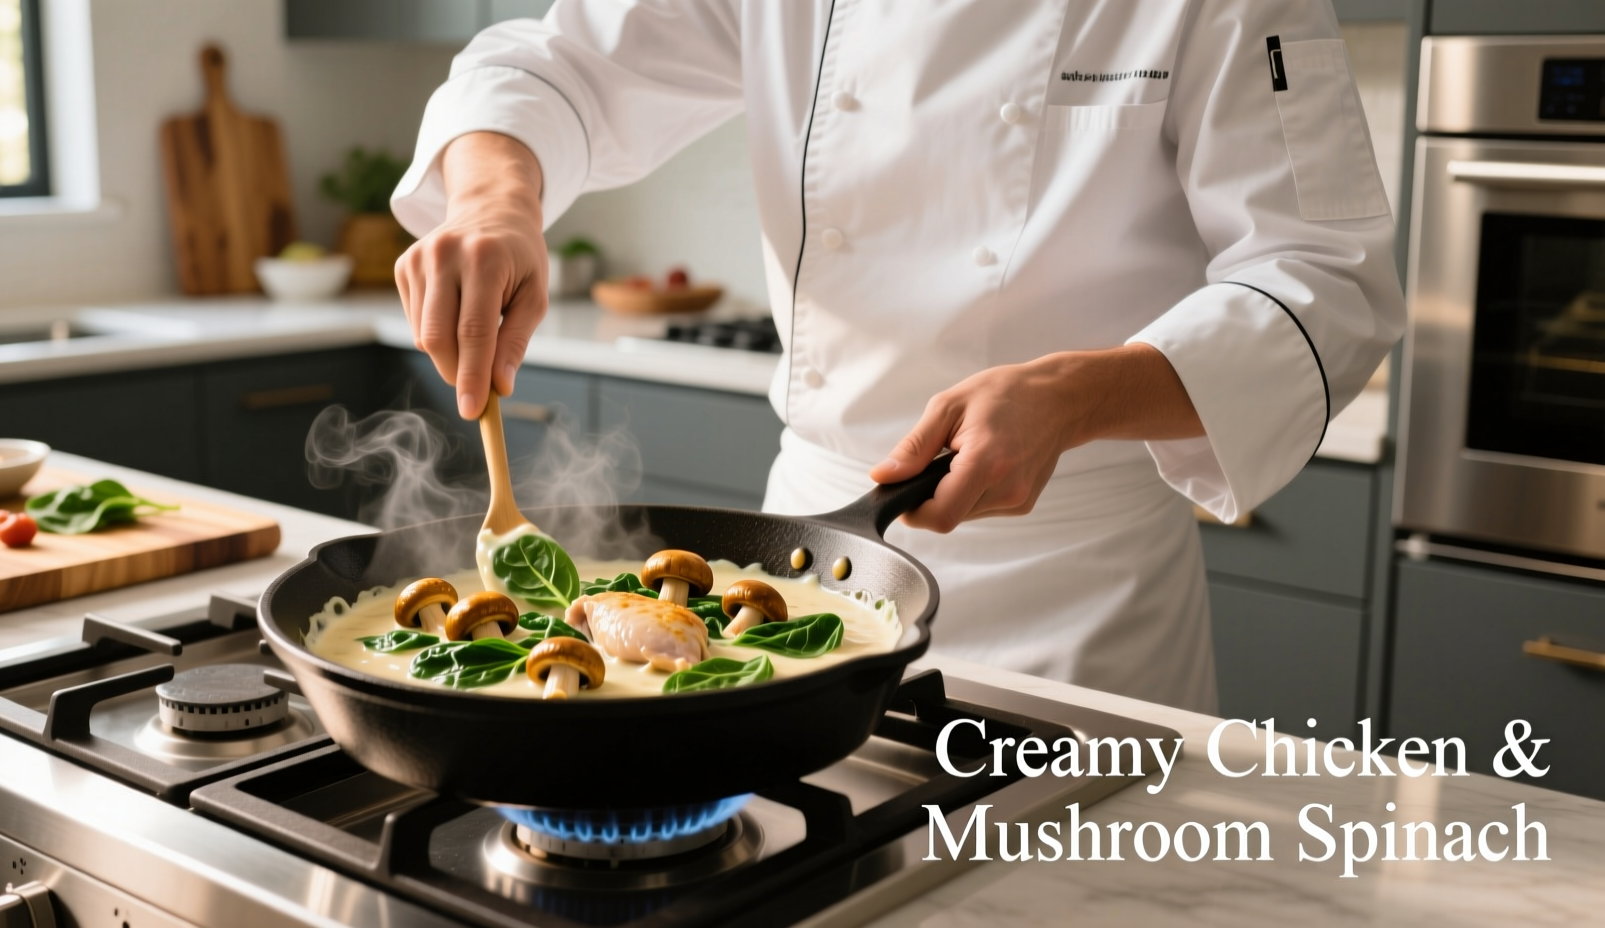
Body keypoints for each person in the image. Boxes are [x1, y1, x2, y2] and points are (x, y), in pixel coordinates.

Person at [390, 1, 1405, 712]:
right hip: (799, 574)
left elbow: (1326, 279)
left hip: (1077, 605)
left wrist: (1076, 392)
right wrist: (494, 203)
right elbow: (548, 64)